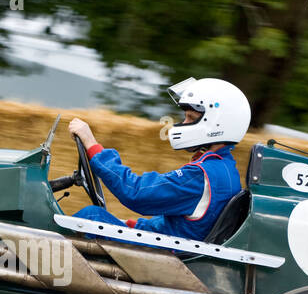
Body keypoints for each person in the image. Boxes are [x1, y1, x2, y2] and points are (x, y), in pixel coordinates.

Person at [69, 77, 251, 242]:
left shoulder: (202, 176)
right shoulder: (224, 169)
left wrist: (92, 146)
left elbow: (136, 192)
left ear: (216, 124)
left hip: (167, 258)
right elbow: (176, 226)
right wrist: (134, 227)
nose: (183, 124)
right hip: (169, 247)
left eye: (190, 118)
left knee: (93, 217)